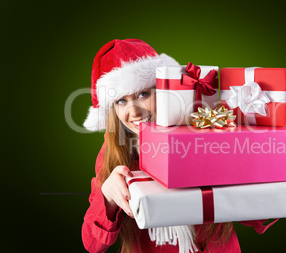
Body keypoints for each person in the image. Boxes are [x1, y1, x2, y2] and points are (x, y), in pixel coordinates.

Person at [81, 39, 275, 253]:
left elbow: (258, 216)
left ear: (164, 90)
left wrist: (238, 167)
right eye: (121, 101)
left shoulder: (203, 133)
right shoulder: (112, 154)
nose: (134, 112)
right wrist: (107, 198)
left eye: (143, 94)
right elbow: (93, 245)